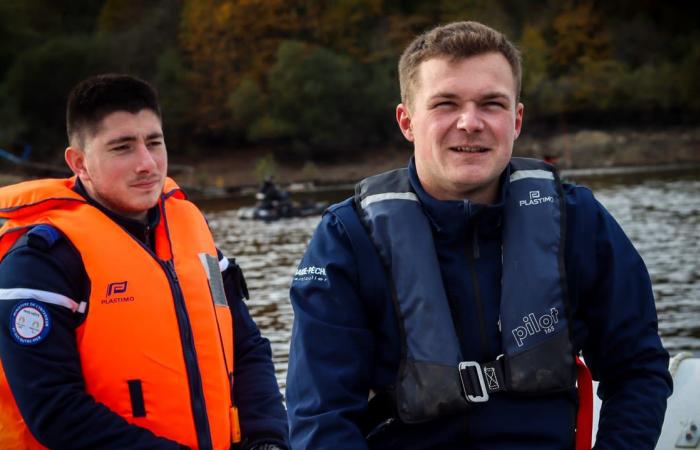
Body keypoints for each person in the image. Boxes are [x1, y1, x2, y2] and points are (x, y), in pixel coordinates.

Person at [286, 21, 672, 449]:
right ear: (407, 121)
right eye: (445, 104)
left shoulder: (579, 220)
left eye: (491, 104)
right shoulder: (347, 238)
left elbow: (638, 368)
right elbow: (321, 416)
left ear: (517, 119)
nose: (470, 123)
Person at [0, 74, 288, 450]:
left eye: (154, 142)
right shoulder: (41, 262)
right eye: (123, 148)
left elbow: (247, 348)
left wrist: (268, 439)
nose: (148, 163)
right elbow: (54, 410)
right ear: (80, 163)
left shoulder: (194, 236)